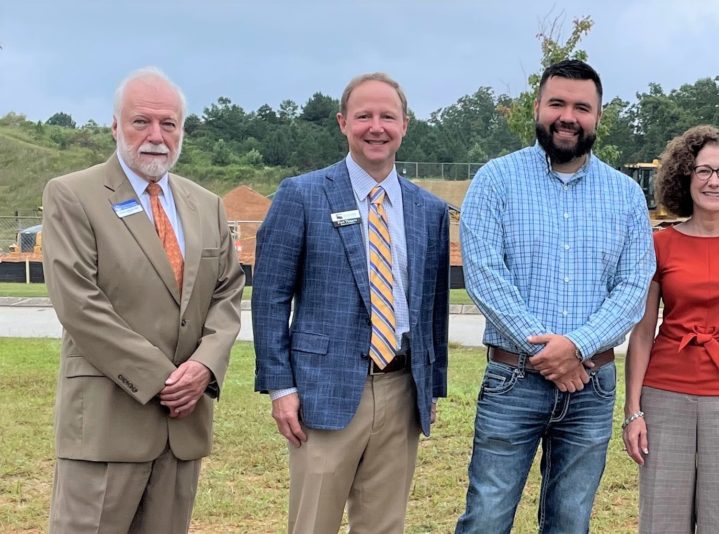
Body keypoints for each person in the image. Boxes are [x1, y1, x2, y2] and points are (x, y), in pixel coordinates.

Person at [455, 59, 655, 534]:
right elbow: (484, 277)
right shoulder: (495, 181)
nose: (569, 116)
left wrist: (577, 348)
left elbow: (633, 288)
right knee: (487, 515)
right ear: (537, 108)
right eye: (557, 103)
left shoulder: (625, 195)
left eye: (582, 107)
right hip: (512, 379)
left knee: (570, 519)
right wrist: (548, 353)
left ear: (598, 117)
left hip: (592, 386)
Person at [41, 67, 245, 533]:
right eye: (141, 122)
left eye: (168, 124)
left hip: (183, 427)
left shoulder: (206, 205)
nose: (156, 136)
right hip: (106, 426)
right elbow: (78, 304)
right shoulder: (73, 195)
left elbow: (228, 291)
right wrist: (165, 379)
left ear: (182, 131)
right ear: (115, 126)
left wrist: (205, 367)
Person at [252, 72, 450, 533]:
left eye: (388, 116)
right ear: (343, 123)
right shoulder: (301, 195)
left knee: (383, 525)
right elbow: (270, 298)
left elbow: (433, 307)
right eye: (364, 116)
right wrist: (281, 389)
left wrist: (431, 386)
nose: (375, 127)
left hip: (402, 390)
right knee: (313, 523)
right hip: (323, 392)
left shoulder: (429, 210)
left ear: (405, 125)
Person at [622, 125, 719, 533]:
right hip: (664, 394)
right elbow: (642, 332)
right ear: (685, 176)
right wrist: (632, 410)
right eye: (703, 170)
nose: (714, 181)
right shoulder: (659, 244)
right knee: (661, 518)